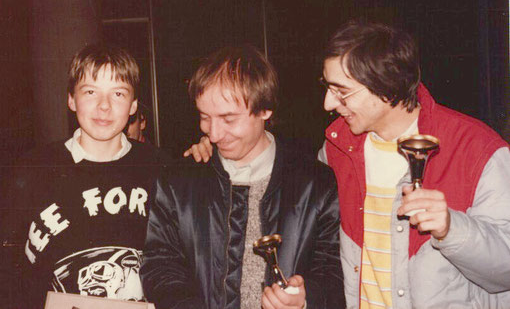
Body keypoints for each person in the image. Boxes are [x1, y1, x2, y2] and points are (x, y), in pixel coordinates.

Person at [184, 22, 510, 308]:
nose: (328, 103)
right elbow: (318, 253)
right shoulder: (337, 151)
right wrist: (216, 153)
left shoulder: (476, 150)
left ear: (386, 86)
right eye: (328, 87)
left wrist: (452, 228)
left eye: (342, 91)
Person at [140, 45, 345, 309]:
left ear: (265, 110)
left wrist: (308, 298)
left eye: (228, 119)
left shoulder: (315, 182)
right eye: (204, 117)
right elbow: (160, 264)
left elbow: (333, 267)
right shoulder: (177, 182)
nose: (213, 134)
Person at [2, 44, 163, 307]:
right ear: (71, 99)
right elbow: (9, 270)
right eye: (90, 91)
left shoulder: (160, 168)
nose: (104, 106)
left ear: (134, 106)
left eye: (118, 94)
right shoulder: (31, 171)